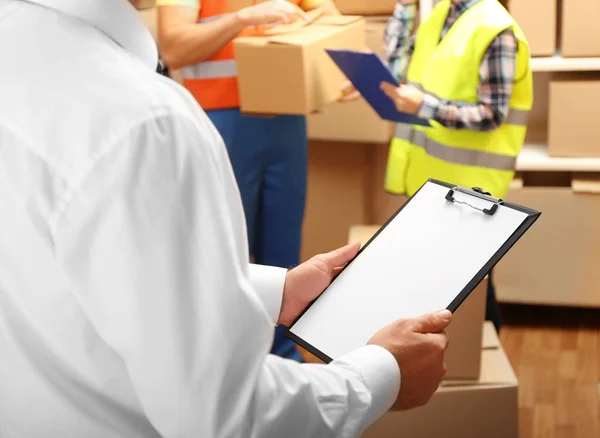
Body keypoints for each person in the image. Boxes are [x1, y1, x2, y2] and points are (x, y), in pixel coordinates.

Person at [0, 0, 453, 436]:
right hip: (227, 114)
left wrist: (276, 291)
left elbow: (71, 272)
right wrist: (382, 374)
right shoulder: (144, 122)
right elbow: (226, 417)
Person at [156, 0, 339, 362]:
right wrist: (241, 19)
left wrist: (328, 65)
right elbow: (173, 48)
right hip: (219, 121)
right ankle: (226, 360)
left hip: (284, 119)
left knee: (284, 252)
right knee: (225, 249)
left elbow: (330, 19)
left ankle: (284, 357)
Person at [342, 0, 533, 333]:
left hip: (473, 190)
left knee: (470, 287)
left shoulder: (495, 29)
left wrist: (425, 106)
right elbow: (401, 69)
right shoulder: (438, 17)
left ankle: (483, 363)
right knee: (441, 284)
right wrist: (404, 9)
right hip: (431, 182)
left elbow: (492, 114)